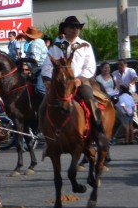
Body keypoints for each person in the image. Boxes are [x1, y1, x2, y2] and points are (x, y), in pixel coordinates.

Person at [41, 15, 109, 151]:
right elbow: (47, 66)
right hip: (61, 84)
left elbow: (90, 67)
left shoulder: (85, 46)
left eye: (77, 27)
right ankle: (46, 137)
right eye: (72, 27)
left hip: (80, 81)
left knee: (90, 100)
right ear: (65, 29)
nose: (75, 29)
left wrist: (80, 79)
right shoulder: (55, 46)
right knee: (43, 105)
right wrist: (48, 81)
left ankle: (99, 133)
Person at [22, 26, 48, 97]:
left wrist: (22, 60)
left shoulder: (34, 45)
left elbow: (35, 61)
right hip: (44, 67)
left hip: (41, 69)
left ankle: (51, 101)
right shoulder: (40, 41)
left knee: (39, 88)